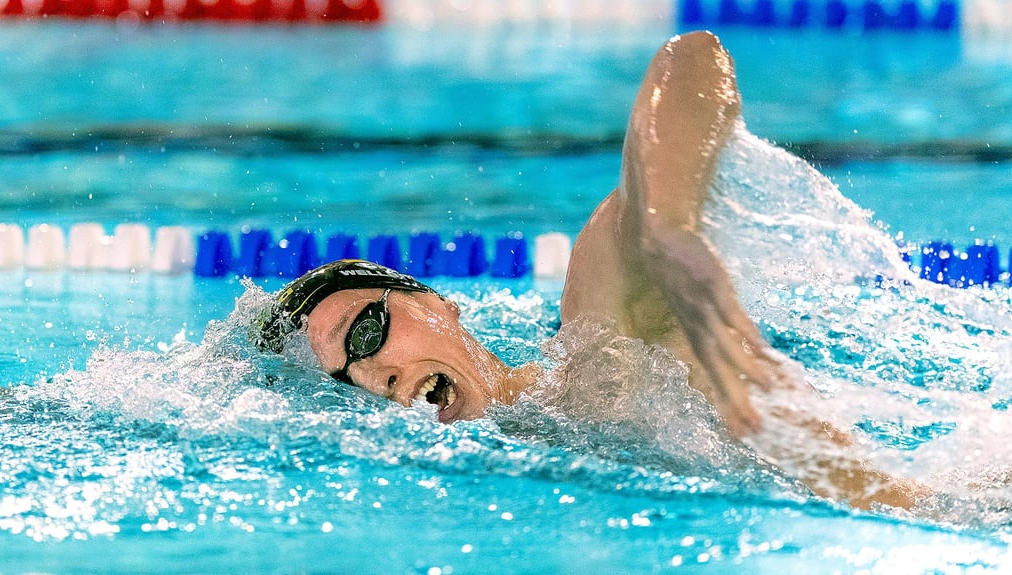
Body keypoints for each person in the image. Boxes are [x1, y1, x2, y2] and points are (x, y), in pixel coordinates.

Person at [253, 31, 926, 511]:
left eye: (367, 332)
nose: (376, 378)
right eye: (344, 383)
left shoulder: (604, 353)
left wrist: (668, 227)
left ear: (434, 301)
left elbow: (692, 58)